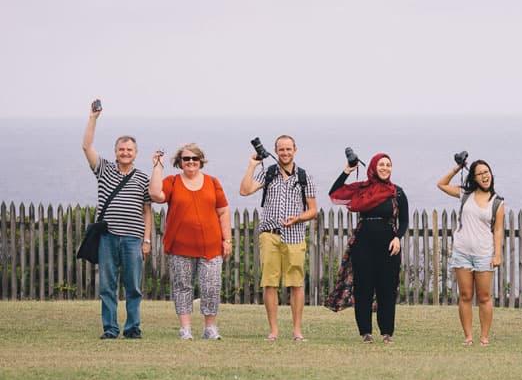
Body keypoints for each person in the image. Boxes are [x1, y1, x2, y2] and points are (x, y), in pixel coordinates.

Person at [81, 100, 152, 339]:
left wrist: (147, 240)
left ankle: (133, 329)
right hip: (107, 238)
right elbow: (86, 147)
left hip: (133, 238)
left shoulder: (143, 178)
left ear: (135, 153)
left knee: (133, 287)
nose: (125, 153)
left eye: (129, 150)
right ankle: (110, 329)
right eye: (121, 149)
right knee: (107, 287)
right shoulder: (104, 170)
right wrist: (93, 118)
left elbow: (147, 211)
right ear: (115, 152)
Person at [239, 135, 317, 341]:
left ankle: (297, 331)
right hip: (269, 235)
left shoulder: (304, 176)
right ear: (276, 150)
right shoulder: (268, 173)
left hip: (295, 235)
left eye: (288, 149)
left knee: (296, 284)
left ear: (295, 150)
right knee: (270, 283)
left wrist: (298, 218)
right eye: (281, 149)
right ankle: (273, 331)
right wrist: (252, 166)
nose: (284, 153)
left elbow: (313, 210)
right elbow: (244, 191)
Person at [149, 144, 231, 340]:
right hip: (180, 247)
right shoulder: (173, 181)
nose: (191, 162)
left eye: (195, 158)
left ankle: (210, 328)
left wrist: (227, 239)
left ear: (201, 161)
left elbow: (223, 211)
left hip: (211, 247)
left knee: (211, 287)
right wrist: (158, 166)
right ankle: (185, 329)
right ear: (180, 162)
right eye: (186, 159)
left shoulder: (213, 182)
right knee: (182, 286)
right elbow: (154, 194)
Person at [326, 153, 409, 344]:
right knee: (363, 288)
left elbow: (403, 220)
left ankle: (387, 332)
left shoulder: (397, 192)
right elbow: (335, 192)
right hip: (363, 244)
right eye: (381, 164)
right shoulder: (362, 188)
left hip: (389, 245)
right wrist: (347, 170)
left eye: (388, 165)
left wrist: (398, 238)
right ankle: (365, 332)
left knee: (386, 289)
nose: (385, 168)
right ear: (373, 166)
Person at [437, 158, 504, 346]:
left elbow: (498, 230)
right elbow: (441, 184)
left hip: (484, 253)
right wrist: (457, 167)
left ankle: (484, 337)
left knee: (484, 297)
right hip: (462, 252)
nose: (485, 176)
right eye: (480, 173)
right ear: (474, 178)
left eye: (487, 172)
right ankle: (468, 337)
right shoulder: (465, 194)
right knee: (465, 295)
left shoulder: (497, 202)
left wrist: (497, 255)